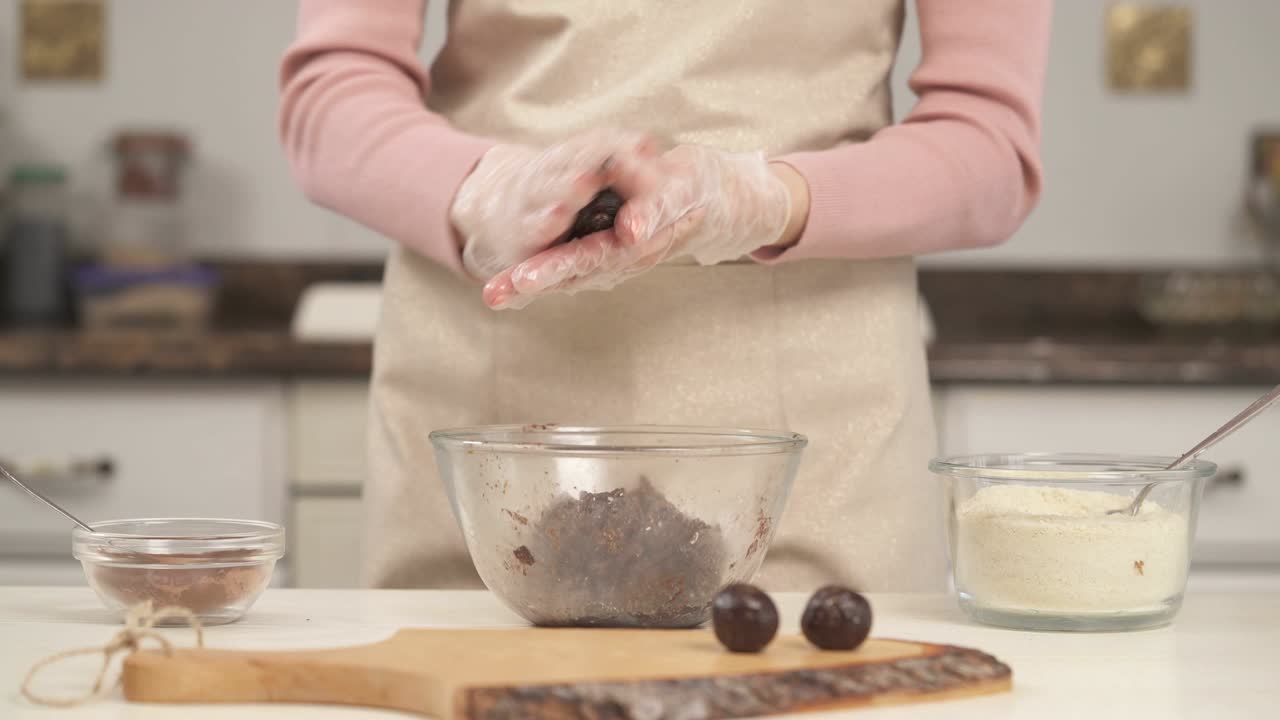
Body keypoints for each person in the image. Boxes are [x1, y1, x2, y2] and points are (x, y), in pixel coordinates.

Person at [278, 0, 1052, 592]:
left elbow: (989, 145)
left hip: (812, 430)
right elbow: (331, 96)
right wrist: (483, 192)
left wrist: (767, 199)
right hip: (489, 406)